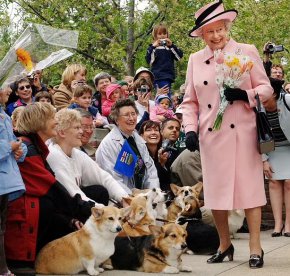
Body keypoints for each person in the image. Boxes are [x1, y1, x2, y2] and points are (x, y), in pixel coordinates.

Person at [182, 0, 273, 268]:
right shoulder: (195, 60)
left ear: (228, 26)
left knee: (251, 190)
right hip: (212, 135)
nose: (216, 35)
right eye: (209, 31)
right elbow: (189, 102)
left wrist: (245, 94)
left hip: (244, 134)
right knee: (217, 194)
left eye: (220, 29)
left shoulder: (246, 51)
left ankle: (256, 248)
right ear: (201, 34)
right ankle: (225, 244)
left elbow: (267, 89)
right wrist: (189, 129)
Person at [5, 103, 93, 267]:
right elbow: (51, 188)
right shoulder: (27, 148)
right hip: (22, 216)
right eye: (53, 118)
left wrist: (72, 217)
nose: (56, 122)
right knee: (46, 204)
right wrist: (88, 210)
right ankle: (29, 258)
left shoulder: (36, 147)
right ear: (40, 122)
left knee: (80, 201)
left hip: (31, 209)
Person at [46, 108, 128, 206]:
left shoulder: (76, 153)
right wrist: (104, 211)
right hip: (61, 210)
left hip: (73, 204)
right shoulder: (54, 154)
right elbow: (74, 194)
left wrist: (124, 198)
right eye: (77, 128)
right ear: (62, 133)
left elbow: (103, 177)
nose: (81, 131)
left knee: (99, 191)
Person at [95, 99, 160, 193]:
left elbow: (150, 170)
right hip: (123, 199)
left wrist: (153, 193)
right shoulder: (109, 144)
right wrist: (133, 198)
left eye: (133, 114)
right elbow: (113, 180)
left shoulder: (137, 139)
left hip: (144, 197)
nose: (131, 118)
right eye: (126, 115)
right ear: (116, 119)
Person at [0, 87, 26, 276]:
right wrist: (9, 146)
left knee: (1, 226)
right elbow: (8, 143)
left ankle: (3, 269)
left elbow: (14, 141)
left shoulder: (4, 115)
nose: (9, 90)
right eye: (4, 87)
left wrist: (19, 150)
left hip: (6, 178)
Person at [262, 78, 290, 238]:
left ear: (272, 93)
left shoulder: (287, 100)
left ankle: (289, 224)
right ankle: (278, 223)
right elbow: (257, 135)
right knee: (273, 182)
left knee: (288, 183)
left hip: (289, 147)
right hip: (272, 148)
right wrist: (264, 160)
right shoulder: (258, 107)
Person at [145, 23, 183, 97]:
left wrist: (171, 45)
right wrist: (153, 47)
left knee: (164, 97)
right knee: (164, 97)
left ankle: (163, 108)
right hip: (159, 76)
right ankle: (164, 108)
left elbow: (179, 57)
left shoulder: (170, 47)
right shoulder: (153, 48)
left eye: (164, 33)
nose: (162, 35)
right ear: (155, 35)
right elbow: (149, 61)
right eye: (159, 34)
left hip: (168, 76)